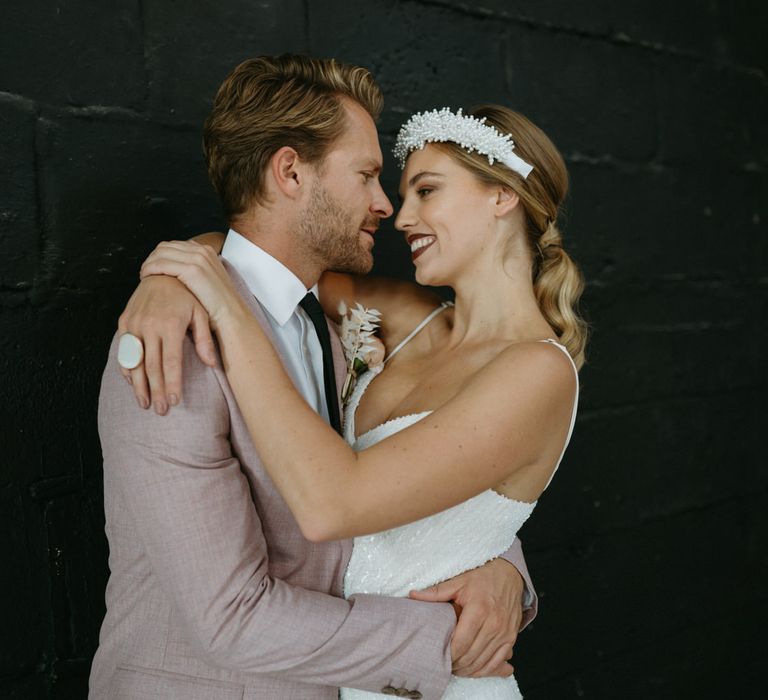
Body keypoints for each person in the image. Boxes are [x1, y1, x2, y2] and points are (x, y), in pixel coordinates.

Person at [93, 55, 537, 700]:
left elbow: (420, 473)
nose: (386, 206)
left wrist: (501, 569)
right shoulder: (174, 343)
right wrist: (450, 641)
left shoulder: (336, 329)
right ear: (291, 172)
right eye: (367, 175)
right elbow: (231, 619)